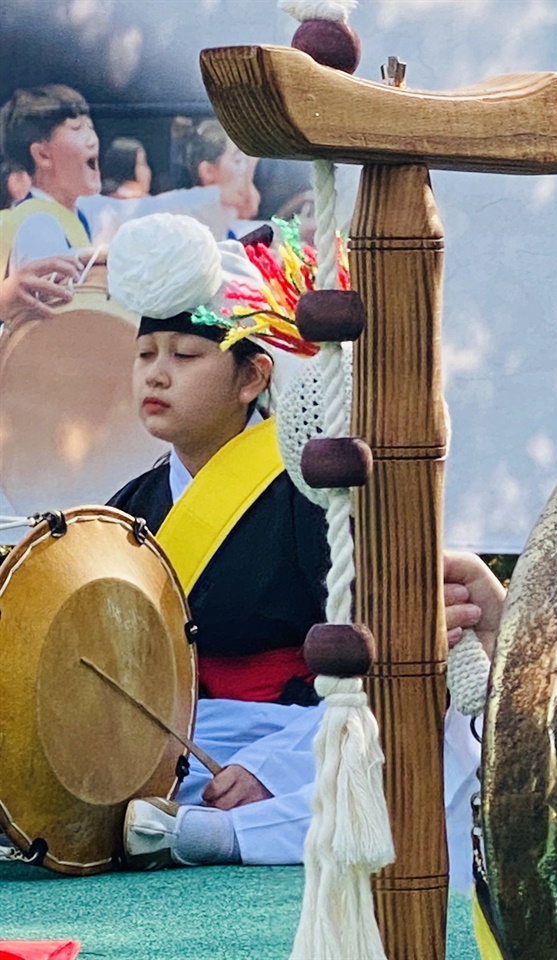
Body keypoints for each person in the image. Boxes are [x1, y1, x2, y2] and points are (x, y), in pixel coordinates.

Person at [100, 213, 479, 886]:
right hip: (188, 735)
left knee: (409, 755)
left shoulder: (312, 484)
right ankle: (188, 820)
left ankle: (223, 835)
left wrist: (272, 764)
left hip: (298, 726)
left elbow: (371, 650)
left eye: (184, 357)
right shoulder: (128, 507)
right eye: (144, 355)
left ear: (253, 378)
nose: (156, 375)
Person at [0, 85, 241, 283]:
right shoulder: (34, 222)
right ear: (43, 155)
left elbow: (150, 209)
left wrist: (217, 196)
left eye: (91, 128)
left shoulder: (84, 211)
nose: (92, 140)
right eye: (77, 129)